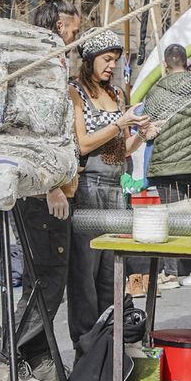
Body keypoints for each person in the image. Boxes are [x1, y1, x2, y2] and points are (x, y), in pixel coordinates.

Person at [0, 0, 78, 381]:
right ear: (59, 26)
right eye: (73, 32)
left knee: (42, 278)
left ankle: (37, 356)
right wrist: (51, 184)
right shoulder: (40, 70)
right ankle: (9, 357)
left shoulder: (35, 66)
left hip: (35, 188)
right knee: (46, 279)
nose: (73, 42)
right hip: (38, 191)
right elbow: (36, 133)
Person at [67, 27, 153, 344]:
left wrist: (142, 134)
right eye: (106, 59)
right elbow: (83, 144)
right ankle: (86, 342)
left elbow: (120, 151)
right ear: (89, 59)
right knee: (85, 272)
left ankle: (112, 339)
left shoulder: (116, 95)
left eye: (115, 60)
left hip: (116, 186)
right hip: (89, 186)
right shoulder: (75, 92)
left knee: (111, 268)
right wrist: (120, 123)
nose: (111, 66)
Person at [144, 44, 191, 285]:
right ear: (187, 62)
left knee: (171, 217)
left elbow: (149, 127)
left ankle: (171, 273)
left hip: (168, 163)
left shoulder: (155, 91)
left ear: (165, 64)